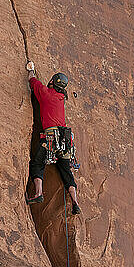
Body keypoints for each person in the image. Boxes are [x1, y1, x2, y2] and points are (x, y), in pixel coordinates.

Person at [26, 61, 81, 215]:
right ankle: (75, 202)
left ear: (51, 82)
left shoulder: (45, 93)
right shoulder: (62, 98)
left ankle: (38, 193)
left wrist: (31, 69)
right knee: (66, 172)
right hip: (65, 140)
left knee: (37, 163)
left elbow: (32, 80)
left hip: (51, 137)